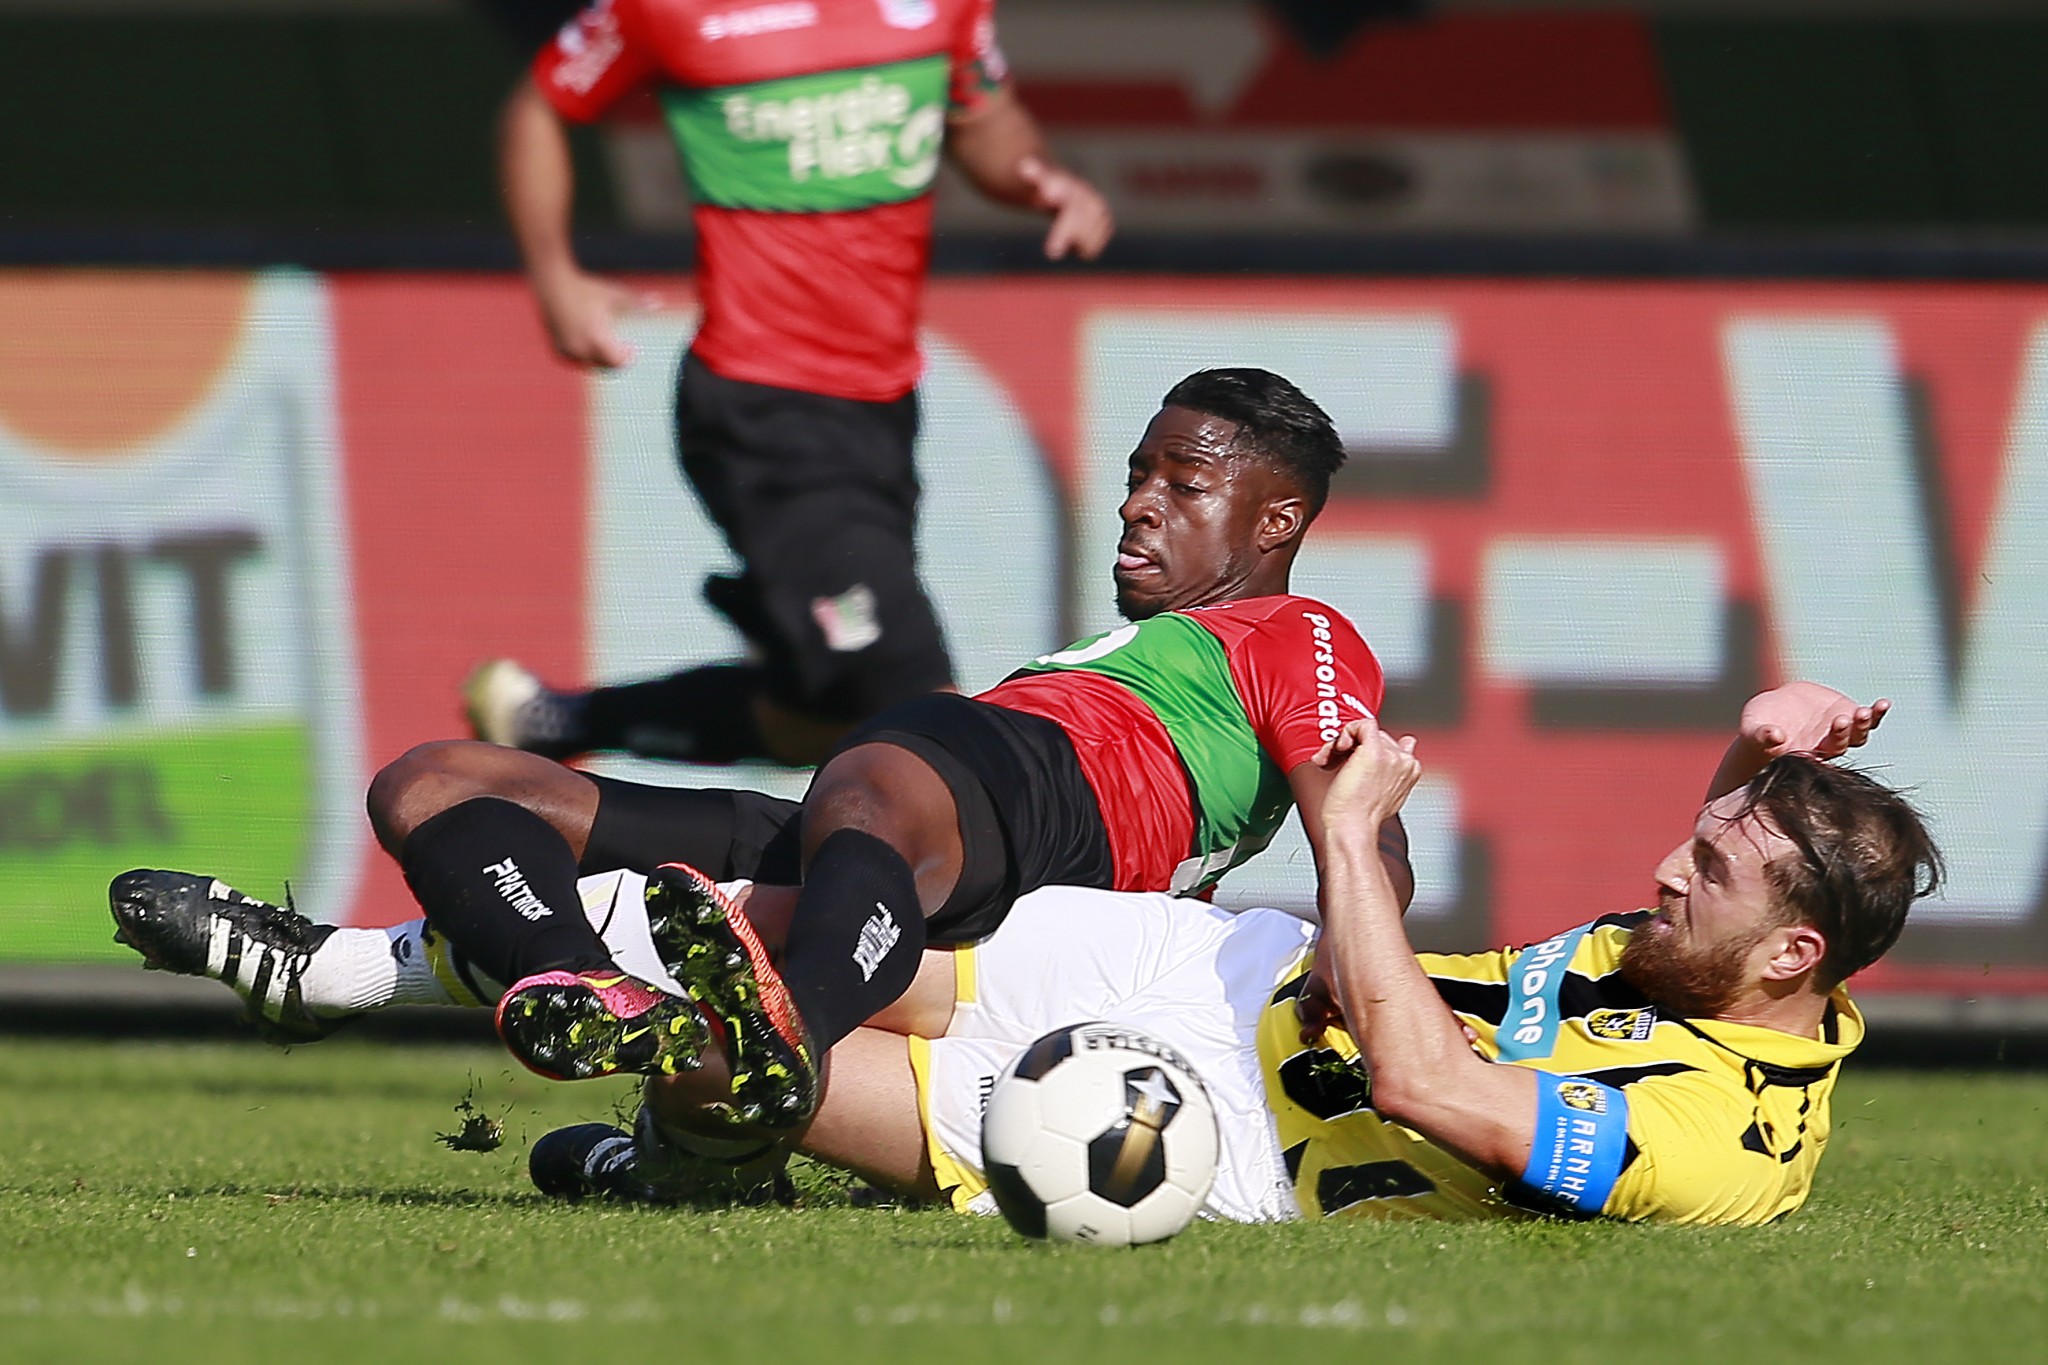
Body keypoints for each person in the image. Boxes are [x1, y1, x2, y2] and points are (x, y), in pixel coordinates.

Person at [113, 369, 1409, 1139]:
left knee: (887, 761)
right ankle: (572, 993)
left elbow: (1370, 835)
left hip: (1034, 821)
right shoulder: (1133, 652)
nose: (1138, 499)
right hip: (919, 834)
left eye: (1182, 483)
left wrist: (1359, 981)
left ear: (1275, 516)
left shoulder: (1299, 629)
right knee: (440, 783)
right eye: (1137, 473)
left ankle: (783, 1043)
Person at [109, 682, 1938, 1226]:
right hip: (1201, 972)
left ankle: (696, 1126)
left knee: (783, 1053)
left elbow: (1421, 1084)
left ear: (1786, 954)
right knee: (775, 933)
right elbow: (1723, 895)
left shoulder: (1708, 1146)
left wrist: (1342, 828)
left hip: (1221, 1136)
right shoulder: (1736, 962)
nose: (1655, 870)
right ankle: (362, 978)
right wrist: (1755, 756)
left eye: (1705, 861)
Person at [466, 0, 1113, 769]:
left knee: (824, 718)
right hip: (762, 410)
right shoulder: (669, 10)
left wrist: (1039, 179)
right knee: (924, 709)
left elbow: (984, 119)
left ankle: (558, 722)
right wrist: (554, 277)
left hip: (881, 412)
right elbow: (539, 106)